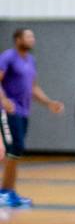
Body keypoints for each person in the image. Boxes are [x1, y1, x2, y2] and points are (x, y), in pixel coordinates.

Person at [0, 28, 66, 208]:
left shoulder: (30, 60)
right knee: (15, 148)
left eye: (33, 36)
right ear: (18, 39)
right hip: (9, 110)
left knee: (17, 151)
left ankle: (9, 192)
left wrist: (48, 103)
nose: (32, 39)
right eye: (28, 36)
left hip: (23, 111)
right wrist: (4, 100)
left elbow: (33, 88)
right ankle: (4, 193)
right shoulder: (8, 57)